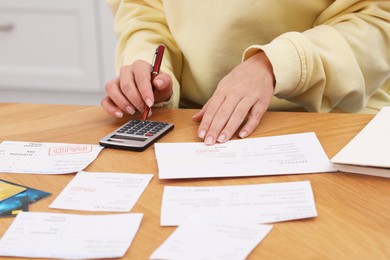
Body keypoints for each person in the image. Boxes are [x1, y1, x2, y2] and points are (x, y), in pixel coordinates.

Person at [101, 0, 390, 145]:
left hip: (334, 121)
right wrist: (152, 75)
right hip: (191, 124)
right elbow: (144, 10)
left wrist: (275, 64)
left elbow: (377, 19)